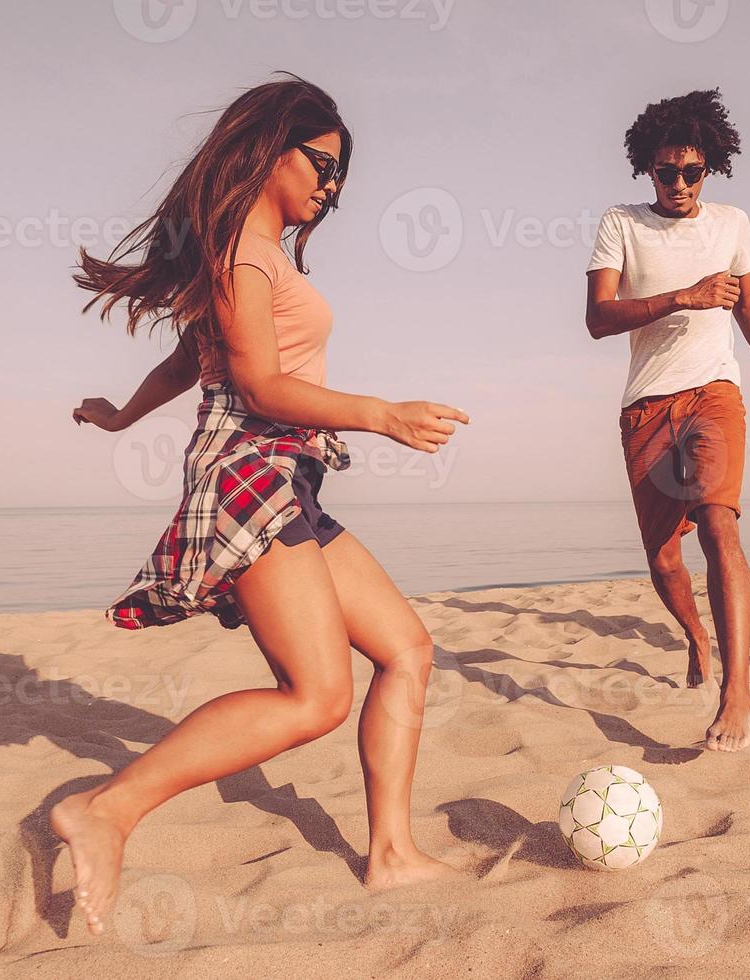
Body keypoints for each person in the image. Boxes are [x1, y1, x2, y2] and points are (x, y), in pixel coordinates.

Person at [53, 75, 470, 935]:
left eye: (340, 174)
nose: (331, 185)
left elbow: (187, 359)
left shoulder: (255, 250)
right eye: (319, 163)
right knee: (315, 696)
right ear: (267, 150)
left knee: (405, 651)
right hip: (253, 470)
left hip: (288, 474)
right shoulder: (244, 244)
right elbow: (253, 380)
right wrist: (381, 414)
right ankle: (109, 808)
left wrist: (123, 413)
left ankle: (389, 855)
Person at [585, 89, 750, 752]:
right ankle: (696, 637)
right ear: (647, 168)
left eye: (690, 172)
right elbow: (596, 318)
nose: (677, 183)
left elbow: (746, 303)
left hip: (714, 392)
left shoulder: (732, 223)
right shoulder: (620, 222)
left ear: (710, 169)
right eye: (665, 171)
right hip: (646, 403)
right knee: (663, 557)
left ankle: (738, 689)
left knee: (717, 522)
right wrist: (682, 296)